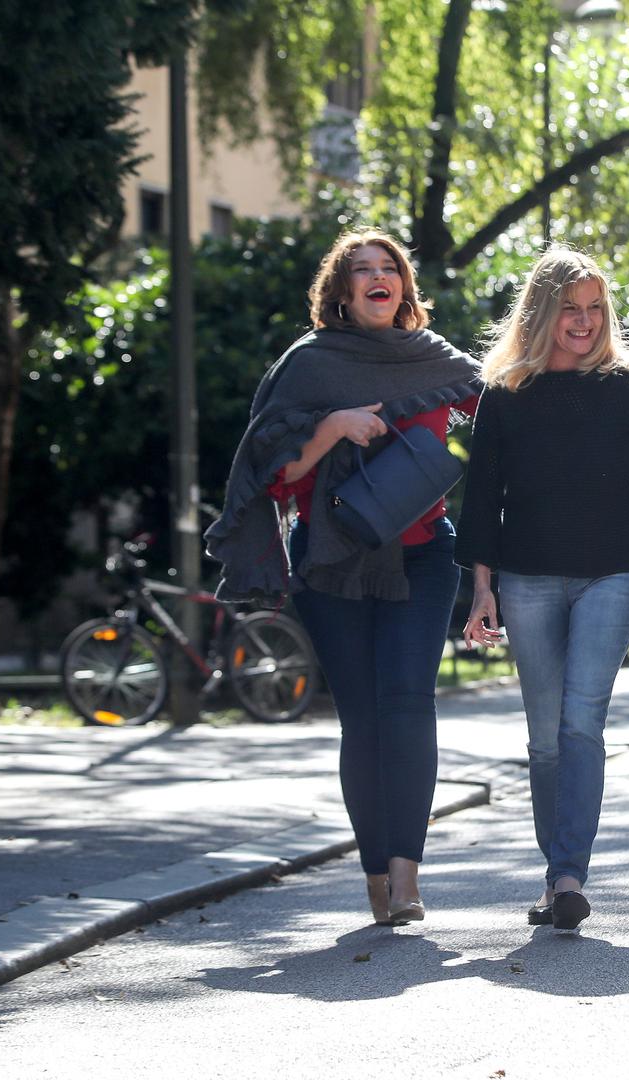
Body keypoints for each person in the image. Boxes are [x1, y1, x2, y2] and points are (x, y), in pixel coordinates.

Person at [206, 229, 480, 927]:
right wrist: (333, 425)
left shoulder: (432, 356)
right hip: (331, 559)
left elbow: (506, 404)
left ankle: (407, 876)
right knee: (361, 719)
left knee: (408, 705)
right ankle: (375, 876)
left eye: (389, 267)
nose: (378, 276)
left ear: (404, 287)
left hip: (423, 554)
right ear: (341, 290)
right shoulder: (309, 365)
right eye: (362, 269)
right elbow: (273, 473)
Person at [457, 246, 629, 933]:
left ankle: (567, 876)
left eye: (594, 308)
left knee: (581, 721)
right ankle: (555, 873)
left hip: (614, 573)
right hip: (526, 575)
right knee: (544, 738)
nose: (584, 321)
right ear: (541, 312)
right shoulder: (505, 391)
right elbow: (482, 495)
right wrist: (481, 588)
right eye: (569, 309)